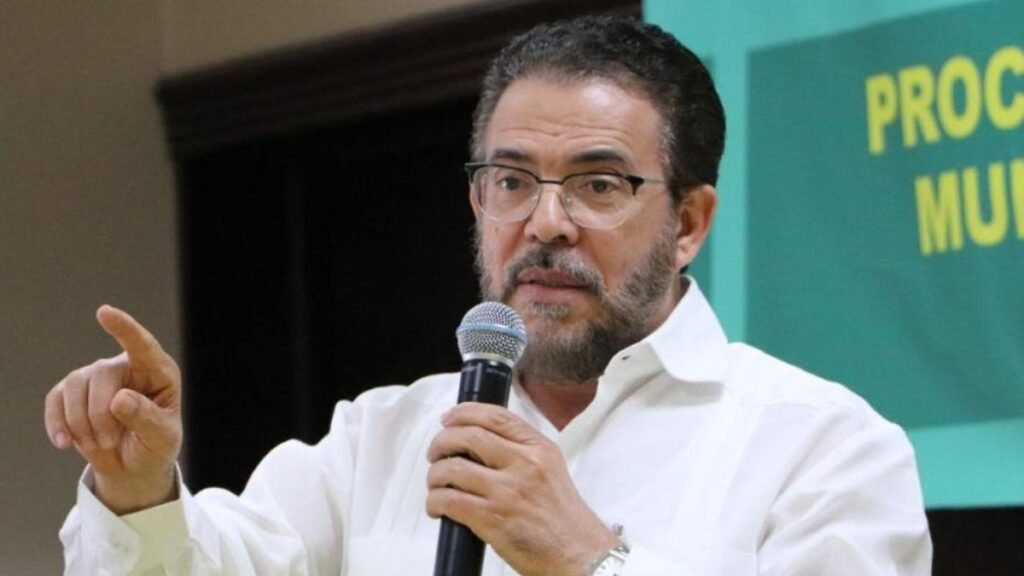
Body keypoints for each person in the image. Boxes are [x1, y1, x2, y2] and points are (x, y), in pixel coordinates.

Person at [45, 15, 932, 575]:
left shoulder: (823, 448)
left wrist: (587, 559)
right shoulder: (378, 437)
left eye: (598, 184)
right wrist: (139, 491)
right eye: (511, 181)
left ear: (690, 221)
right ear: (478, 203)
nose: (545, 223)